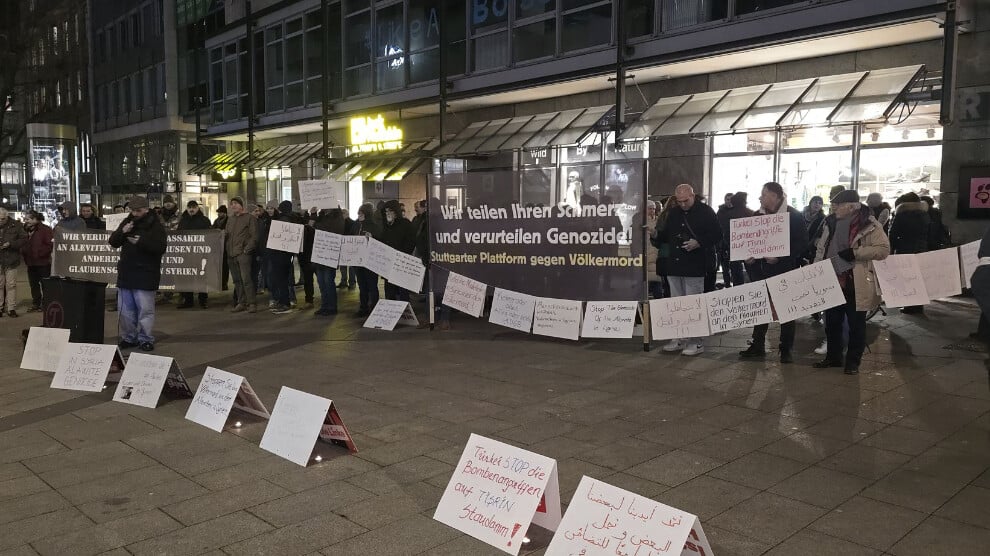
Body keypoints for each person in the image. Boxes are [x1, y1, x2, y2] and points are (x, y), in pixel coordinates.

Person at [813, 189, 890, 375]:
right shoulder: (830, 222)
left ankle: (853, 362)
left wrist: (855, 253)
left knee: (856, 325)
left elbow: (883, 250)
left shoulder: (869, 224)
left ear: (851, 206)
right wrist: (817, 270)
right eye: (833, 204)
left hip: (856, 282)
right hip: (832, 280)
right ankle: (833, 357)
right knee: (831, 323)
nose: (834, 208)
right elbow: (821, 248)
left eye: (838, 205)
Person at [739, 182, 808, 363]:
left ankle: (786, 349)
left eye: (764, 194)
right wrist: (748, 257)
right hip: (759, 271)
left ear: (775, 196)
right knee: (760, 308)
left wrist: (780, 256)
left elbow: (802, 244)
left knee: (786, 310)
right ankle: (757, 345)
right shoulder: (756, 216)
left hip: (783, 271)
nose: (760, 197)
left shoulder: (793, 216)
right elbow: (748, 242)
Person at [656, 184, 722, 356]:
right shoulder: (673, 213)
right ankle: (678, 337)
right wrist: (654, 234)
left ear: (693, 196)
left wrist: (698, 242)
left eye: (686, 200)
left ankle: (696, 341)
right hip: (675, 264)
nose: (683, 204)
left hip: (695, 264)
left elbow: (717, 234)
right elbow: (665, 236)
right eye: (679, 201)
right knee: (676, 304)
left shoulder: (706, 211)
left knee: (693, 304)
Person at [109, 196, 168, 351]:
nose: (135, 213)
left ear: (146, 209)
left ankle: (146, 338)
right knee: (125, 310)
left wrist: (141, 242)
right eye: (132, 210)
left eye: (138, 211)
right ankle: (129, 337)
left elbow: (160, 247)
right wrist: (123, 231)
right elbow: (113, 242)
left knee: (145, 310)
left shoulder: (156, 225)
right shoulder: (128, 222)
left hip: (146, 273)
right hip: (127, 272)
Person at [889, 192, 931, 315]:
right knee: (919, 279)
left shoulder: (902, 214)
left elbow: (893, 234)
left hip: (905, 250)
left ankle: (909, 306)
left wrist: (891, 249)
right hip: (922, 249)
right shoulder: (925, 214)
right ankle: (918, 306)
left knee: (908, 278)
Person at [176, 200, 212, 309]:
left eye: (193, 207)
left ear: (197, 208)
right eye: (189, 207)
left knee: (201, 276)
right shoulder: (183, 221)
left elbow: (209, 236)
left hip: (200, 253)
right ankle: (188, 300)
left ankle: (203, 300)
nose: (191, 209)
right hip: (186, 254)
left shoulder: (204, 220)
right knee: (187, 277)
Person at [226, 197, 258, 313]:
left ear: (241, 205)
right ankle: (241, 302)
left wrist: (247, 249)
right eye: (231, 204)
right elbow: (228, 235)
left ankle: (252, 303)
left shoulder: (250, 218)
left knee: (246, 279)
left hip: (243, 254)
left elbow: (254, 236)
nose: (233, 206)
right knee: (237, 280)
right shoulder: (230, 219)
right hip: (231, 254)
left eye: (235, 203)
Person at [381, 200, 416, 302]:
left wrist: (403, 253)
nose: (388, 214)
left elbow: (411, 241)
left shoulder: (406, 224)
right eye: (386, 212)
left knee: (402, 289)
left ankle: (405, 309)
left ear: (396, 212)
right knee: (389, 288)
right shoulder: (387, 226)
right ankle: (391, 307)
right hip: (389, 262)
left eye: (390, 211)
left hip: (401, 262)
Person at [313, 208, 346, 316]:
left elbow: (333, 230)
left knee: (328, 282)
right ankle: (324, 305)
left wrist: (316, 224)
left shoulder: (337, 216)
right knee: (321, 282)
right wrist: (313, 214)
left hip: (330, 254)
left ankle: (332, 307)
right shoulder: (321, 215)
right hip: (320, 252)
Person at [351, 203, 382, 317]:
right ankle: (363, 307)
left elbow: (380, 240)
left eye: (361, 213)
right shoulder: (356, 225)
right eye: (359, 213)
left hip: (370, 261)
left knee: (372, 285)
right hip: (358, 261)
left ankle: (374, 307)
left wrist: (372, 237)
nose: (359, 215)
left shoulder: (374, 225)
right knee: (362, 285)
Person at [717, 192, 754, 287]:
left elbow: (724, 232)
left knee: (736, 272)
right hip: (750, 247)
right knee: (752, 272)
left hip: (733, 247)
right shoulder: (751, 213)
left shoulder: (727, 214)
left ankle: (737, 290)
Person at [20, 211, 54, 312]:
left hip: (43, 263)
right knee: (33, 285)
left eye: (28, 219)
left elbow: (50, 245)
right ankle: (36, 303)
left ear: (35, 219)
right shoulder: (25, 230)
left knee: (45, 284)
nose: (26, 221)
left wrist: (40, 254)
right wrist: (24, 251)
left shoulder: (45, 230)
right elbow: (23, 242)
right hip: (30, 262)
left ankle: (45, 304)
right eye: (25, 219)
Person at [268, 200, 297, 314]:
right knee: (283, 279)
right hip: (286, 255)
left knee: (281, 280)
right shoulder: (292, 218)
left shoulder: (282, 220)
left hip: (279, 255)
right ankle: (284, 301)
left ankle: (285, 302)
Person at [0, 206, 28, 318]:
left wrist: (10, 244)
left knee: (11, 285)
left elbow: (24, 239)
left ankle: (11, 308)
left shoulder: (16, 225)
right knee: (0, 285)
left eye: (2, 219)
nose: (0, 221)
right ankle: (0, 308)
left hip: (11, 259)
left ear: (7, 217)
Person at [633, 200, 661, 298]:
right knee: (643, 281)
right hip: (643, 253)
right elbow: (636, 238)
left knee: (656, 280)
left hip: (655, 253)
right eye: (650, 208)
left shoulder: (658, 219)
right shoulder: (639, 219)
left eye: (654, 208)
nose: (652, 211)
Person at [212, 205, 230, 291]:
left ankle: (224, 283)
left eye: (220, 212)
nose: (219, 214)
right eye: (218, 212)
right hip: (218, 246)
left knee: (225, 267)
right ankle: (220, 282)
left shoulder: (229, 221)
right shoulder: (216, 221)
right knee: (219, 266)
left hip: (226, 247)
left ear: (225, 213)